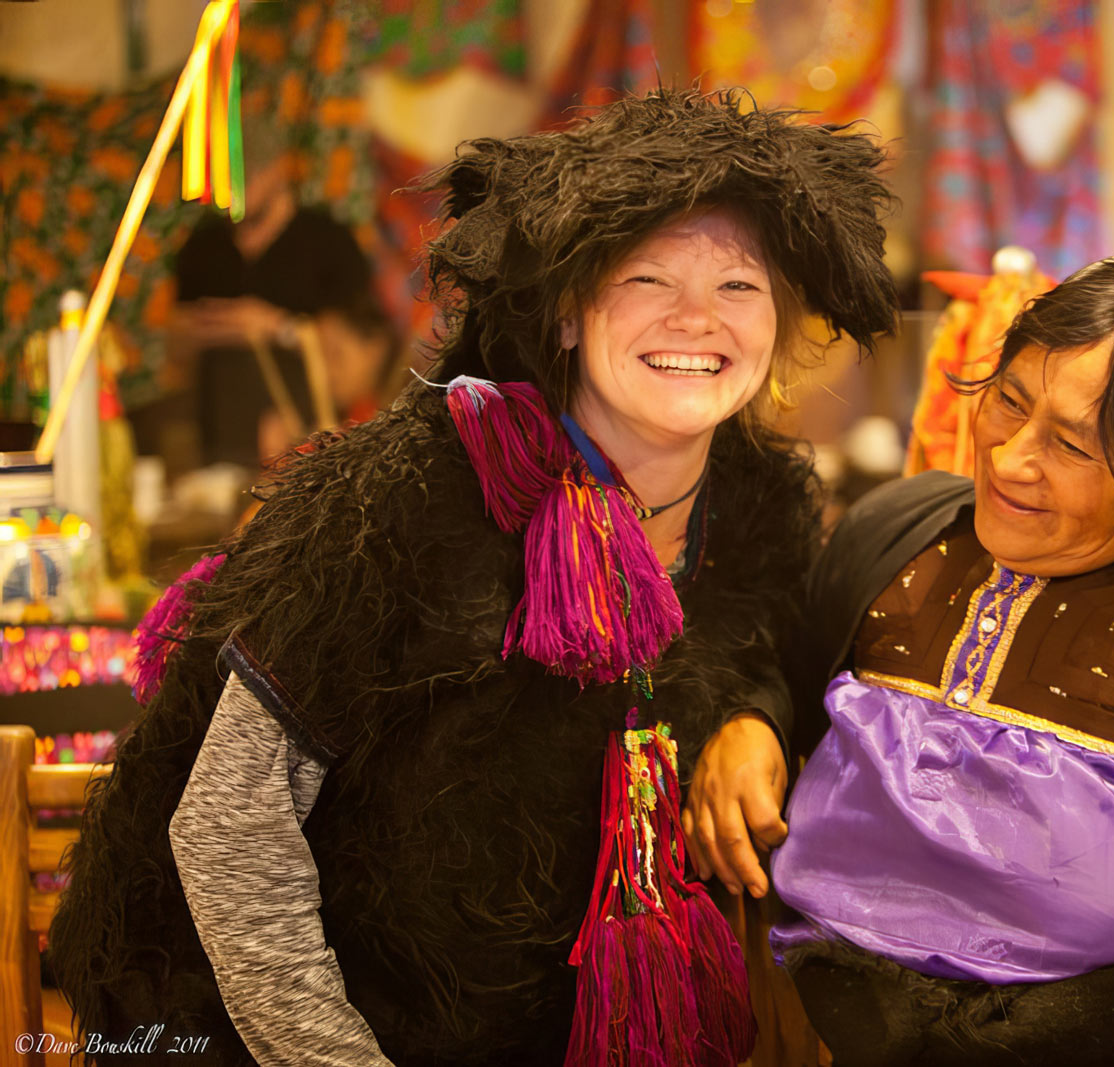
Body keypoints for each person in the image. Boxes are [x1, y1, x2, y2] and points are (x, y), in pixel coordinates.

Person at [51, 88, 897, 1066]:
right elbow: (229, 824)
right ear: (570, 313)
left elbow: (746, 650)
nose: (696, 320)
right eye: (649, 278)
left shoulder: (763, 514)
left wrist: (750, 715)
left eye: (739, 287)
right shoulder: (407, 501)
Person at [690, 256, 1114, 1065]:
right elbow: (786, 673)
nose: (1010, 460)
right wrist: (755, 717)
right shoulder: (897, 536)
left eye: (1073, 445)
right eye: (1009, 400)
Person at [165, 124, 375, 466]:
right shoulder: (202, 245)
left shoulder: (328, 241)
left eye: (245, 177)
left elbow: (359, 355)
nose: (233, 191)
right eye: (224, 179)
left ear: (278, 168)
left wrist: (278, 327)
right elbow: (174, 349)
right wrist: (206, 329)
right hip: (220, 443)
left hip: (309, 439)